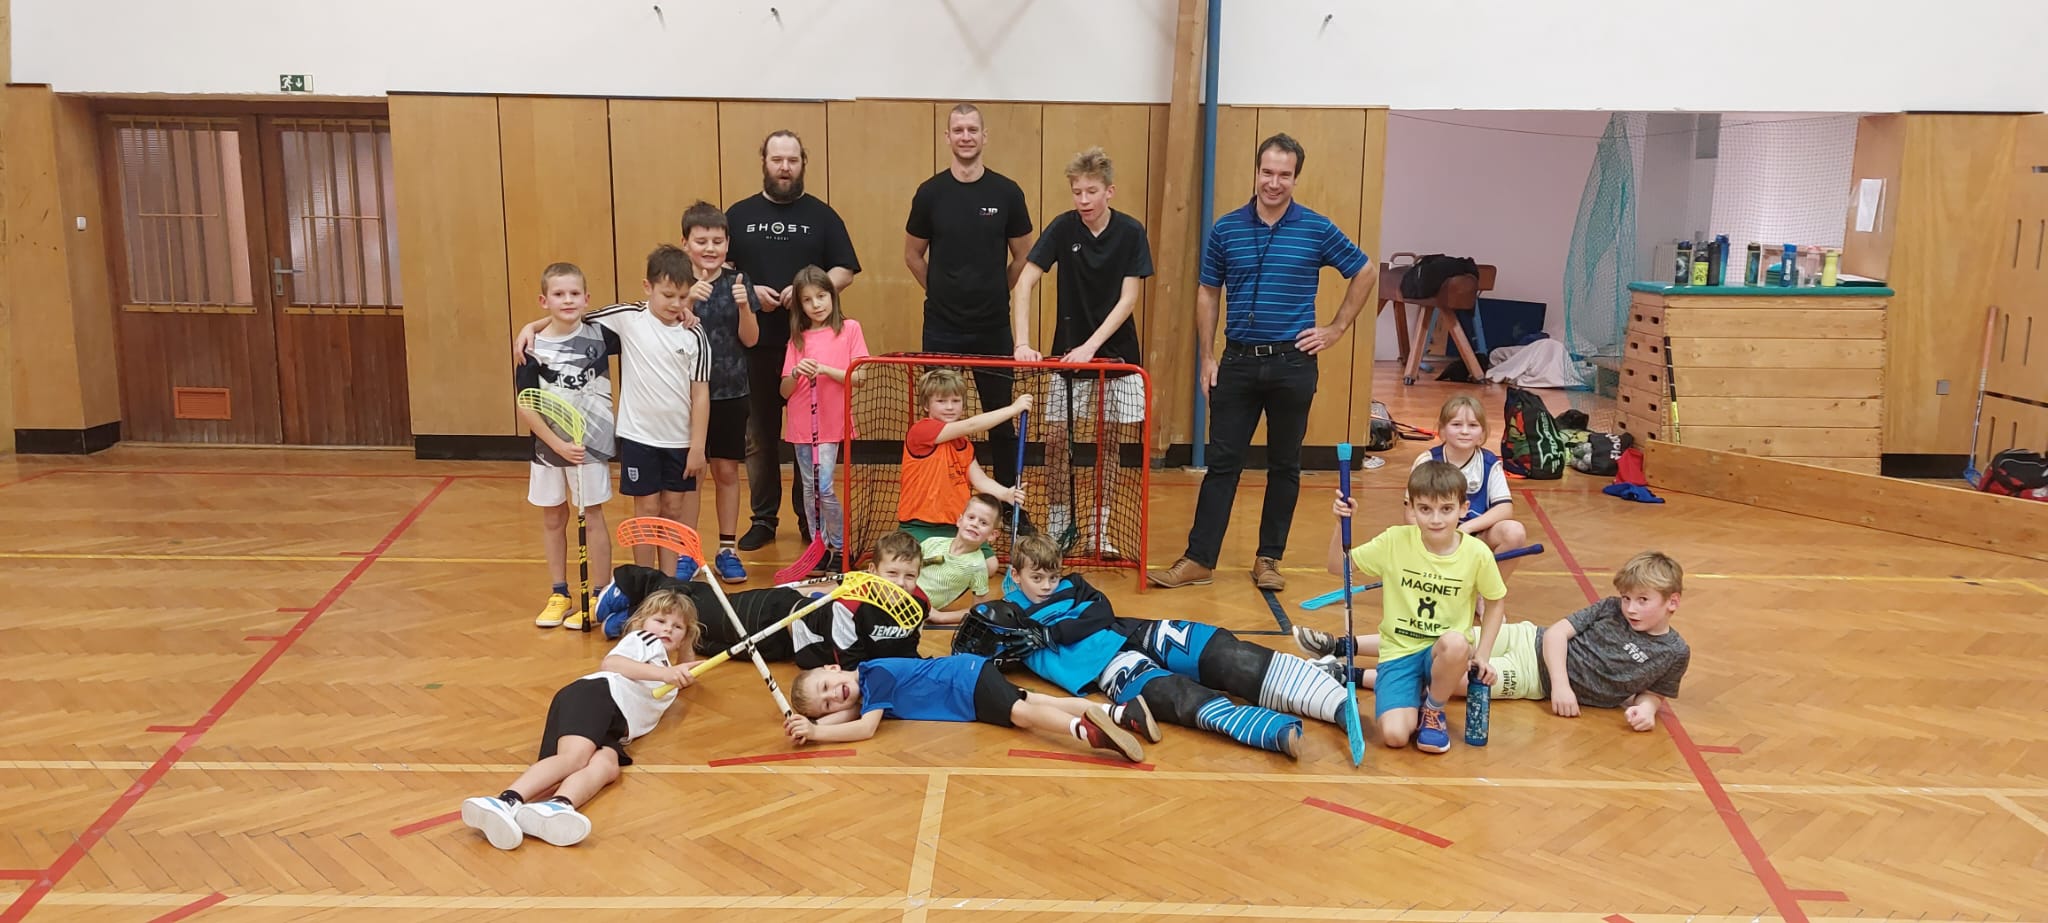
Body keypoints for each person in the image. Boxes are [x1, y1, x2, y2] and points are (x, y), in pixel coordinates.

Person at [1151, 133, 1378, 593]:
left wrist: (1336, 328)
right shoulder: (1226, 229)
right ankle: (1199, 559)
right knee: (1222, 464)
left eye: (1284, 175)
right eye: (1267, 172)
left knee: (1284, 465)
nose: (1274, 183)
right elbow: (1208, 292)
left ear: (1296, 178)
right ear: (1256, 172)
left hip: (1293, 364)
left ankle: (1268, 559)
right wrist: (1207, 356)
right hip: (1236, 361)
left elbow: (1365, 270)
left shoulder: (1316, 228)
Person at [1295, 551, 1691, 734]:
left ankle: (1348, 673)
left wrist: (1647, 710)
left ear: (1672, 602)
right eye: (1627, 598)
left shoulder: (1675, 653)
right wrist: (1564, 685)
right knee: (1440, 642)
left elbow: (1656, 691)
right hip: (1528, 640)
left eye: (1642, 601)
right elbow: (1557, 634)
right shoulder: (1609, 608)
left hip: (1532, 679)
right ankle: (1340, 644)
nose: (1630, 608)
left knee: (1455, 682)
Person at [998, 535, 1305, 758]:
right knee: (1172, 694)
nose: (1047, 585)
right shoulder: (1006, 614)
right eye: (1037, 578)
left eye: (1053, 577)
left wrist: (1052, 634)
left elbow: (1103, 611)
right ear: (1016, 575)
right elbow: (987, 657)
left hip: (1129, 631)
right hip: (1104, 667)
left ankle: (1318, 685)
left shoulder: (1073, 584)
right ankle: (1271, 730)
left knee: (1225, 654)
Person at [518, 245, 710, 577]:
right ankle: (645, 582)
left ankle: (667, 584)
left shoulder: (694, 334)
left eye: (683, 297)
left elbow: (701, 394)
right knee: (646, 509)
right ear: (648, 287)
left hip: (679, 440)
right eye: (668, 296)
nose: (676, 304)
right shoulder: (626, 317)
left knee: (673, 509)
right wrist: (531, 327)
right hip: (638, 437)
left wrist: (697, 446)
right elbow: (572, 316)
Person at [459, 590, 701, 850]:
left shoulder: (666, 668)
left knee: (608, 765)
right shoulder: (643, 640)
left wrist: (685, 646)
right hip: (596, 696)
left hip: (615, 723)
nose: (667, 629)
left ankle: (556, 806)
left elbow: (687, 672)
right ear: (642, 623)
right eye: (660, 621)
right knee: (575, 758)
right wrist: (665, 673)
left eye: (677, 627)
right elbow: (612, 663)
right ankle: (505, 800)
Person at [1011, 147, 1153, 556]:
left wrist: (1091, 348)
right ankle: (1059, 527)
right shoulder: (1062, 228)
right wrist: (1022, 342)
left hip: (1116, 356)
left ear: (1110, 191)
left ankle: (1099, 530)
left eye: (1092, 192)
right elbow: (1024, 282)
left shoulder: (1131, 232)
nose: (1084, 200)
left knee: (1108, 442)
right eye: (1077, 192)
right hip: (1067, 357)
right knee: (1056, 439)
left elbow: (1128, 299)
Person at [728, 130, 861, 552]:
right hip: (755, 345)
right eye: (777, 159)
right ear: (764, 162)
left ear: (803, 163)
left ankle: (812, 521)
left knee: (813, 439)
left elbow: (845, 270)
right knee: (759, 438)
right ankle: (763, 520)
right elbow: (721, 271)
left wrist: (805, 291)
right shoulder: (739, 214)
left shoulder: (823, 216)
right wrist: (749, 291)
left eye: (792, 160)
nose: (784, 167)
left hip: (812, 350)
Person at [1324, 461, 1507, 753]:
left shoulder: (1477, 553)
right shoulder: (1394, 540)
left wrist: (1483, 654)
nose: (1436, 519)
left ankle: (1433, 709)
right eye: (1425, 509)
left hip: (1443, 652)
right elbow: (1338, 567)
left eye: (1446, 509)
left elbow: (1496, 602)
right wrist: (1339, 524)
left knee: (1456, 643)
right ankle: (1418, 691)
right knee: (1394, 736)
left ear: (1463, 508)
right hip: (1399, 652)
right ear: (1411, 508)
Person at [905, 103, 1035, 509]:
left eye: (972, 129)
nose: (965, 136)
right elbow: (912, 255)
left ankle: (1008, 506)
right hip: (941, 327)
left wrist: (996, 290)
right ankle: (940, 502)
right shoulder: (930, 193)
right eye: (958, 130)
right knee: (940, 419)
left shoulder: (1007, 192)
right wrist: (941, 292)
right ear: (947, 137)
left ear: (984, 136)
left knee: (1002, 419)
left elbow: (1023, 257)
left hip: (993, 327)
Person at [595, 530, 930, 669]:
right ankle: (634, 581)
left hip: (781, 648)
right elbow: (851, 663)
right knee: (706, 607)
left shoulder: (919, 605)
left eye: (909, 576)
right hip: (772, 615)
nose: (901, 585)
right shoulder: (850, 605)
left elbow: (904, 650)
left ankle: (632, 614)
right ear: (873, 571)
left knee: (705, 642)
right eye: (892, 574)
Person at [785, 653, 1149, 763]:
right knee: (1037, 701)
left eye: (826, 686)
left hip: (965, 683)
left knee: (1022, 715)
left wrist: (816, 731)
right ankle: (1122, 713)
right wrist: (805, 724)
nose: (834, 696)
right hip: (970, 680)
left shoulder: (874, 676)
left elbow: (864, 728)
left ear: (832, 668)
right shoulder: (865, 690)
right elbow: (847, 714)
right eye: (827, 703)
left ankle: (1087, 731)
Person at [516, 262, 620, 630]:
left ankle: (599, 595)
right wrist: (558, 444)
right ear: (544, 300)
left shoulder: (601, 335)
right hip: (550, 448)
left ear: (587, 298)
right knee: (552, 517)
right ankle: (559, 593)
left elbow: (645, 318)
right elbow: (526, 404)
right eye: (558, 294)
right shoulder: (532, 347)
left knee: (592, 516)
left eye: (575, 293)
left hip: (589, 447)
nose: (568, 300)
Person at [673, 201, 760, 583]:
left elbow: (751, 339)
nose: (710, 248)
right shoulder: (676, 283)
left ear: (727, 244)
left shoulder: (739, 281)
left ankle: (728, 549)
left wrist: (744, 308)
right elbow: (663, 331)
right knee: (691, 472)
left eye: (718, 241)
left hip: (730, 391)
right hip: (683, 394)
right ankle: (686, 551)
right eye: (701, 241)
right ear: (686, 243)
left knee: (726, 470)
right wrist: (690, 300)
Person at [781, 265, 868, 568]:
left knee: (824, 485)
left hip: (831, 421)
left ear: (832, 296)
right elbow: (784, 390)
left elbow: (860, 377)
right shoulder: (797, 339)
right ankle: (819, 546)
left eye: (821, 296)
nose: (816, 304)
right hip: (802, 422)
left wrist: (825, 370)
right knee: (810, 488)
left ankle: (841, 547)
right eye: (807, 300)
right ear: (799, 305)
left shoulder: (849, 329)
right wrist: (796, 372)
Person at [897, 368, 1029, 545]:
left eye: (956, 401)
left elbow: (980, 480)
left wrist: (1006, 494)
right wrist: (1013, 409)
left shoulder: (964, 445)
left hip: (958, 526)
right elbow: (971, 425)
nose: (950, 407)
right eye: (941, 401)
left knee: (990, 560)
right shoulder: (921, 431)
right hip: (919, 526)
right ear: (926, 405)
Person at [1409, 395, 1529, 578]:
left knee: (1514, 532)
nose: (1464, 431)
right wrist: (1436, 539)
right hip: (1434, 535)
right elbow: (1411, 514)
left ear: (1482, 432)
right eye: (1456, 424)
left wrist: (1466, 529)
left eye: (1472, 425)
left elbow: (1505, 509)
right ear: (1442, 429)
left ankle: (1489, 590)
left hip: (1475, 535)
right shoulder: (1426, 461)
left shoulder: (1490, 463)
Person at [916, 493, 1003, 624]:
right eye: (971, 517)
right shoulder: (932, 542)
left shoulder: (977, 567)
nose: (975, 524)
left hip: (915, 609)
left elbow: (980, 610)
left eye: (983, 522)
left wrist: (941, 617)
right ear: (960, 521)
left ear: (992, 535)